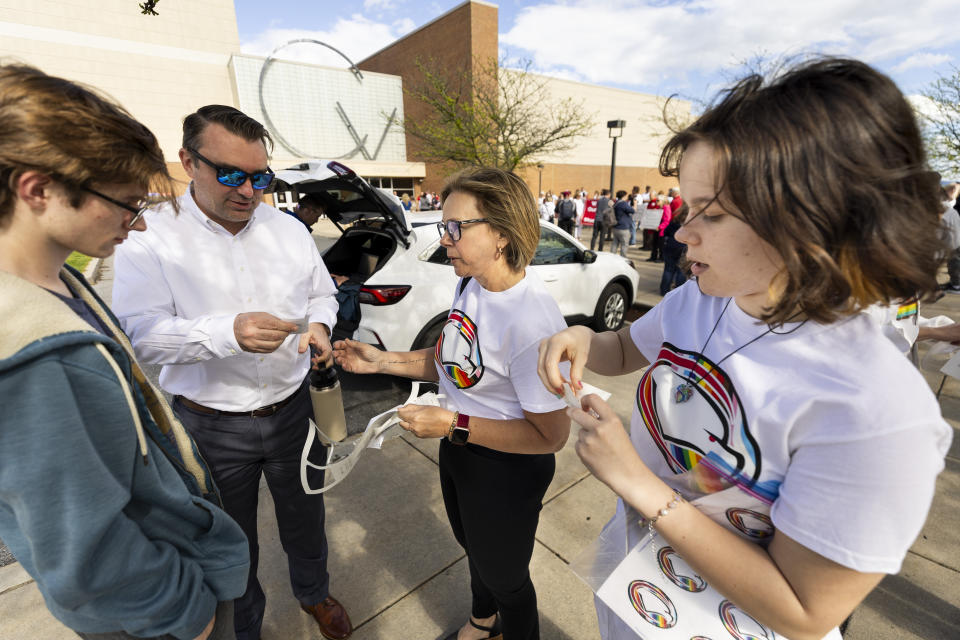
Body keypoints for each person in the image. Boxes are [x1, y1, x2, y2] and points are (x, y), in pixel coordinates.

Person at [537, 58, 951, 640]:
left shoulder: (876, 412)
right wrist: (583, 338)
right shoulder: (705, 300)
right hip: (643, 591)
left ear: (812, 219)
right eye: (685, 207)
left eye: (713, 213)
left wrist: (637, 483)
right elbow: (628, 349)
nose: (682, 233)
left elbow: (805, 612)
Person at [0, 64, 249, 640]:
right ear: (38, 189)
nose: (136, 227)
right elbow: (82, 547)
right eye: (125, 205)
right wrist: (189, 613)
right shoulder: (27, 356)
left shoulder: (62, 282)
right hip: (154, 614)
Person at [112, 105, 352, 640]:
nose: (248, 191)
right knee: (230, 541)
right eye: (230, 175)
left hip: (293, 411)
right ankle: (245, 627)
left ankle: (314, 593)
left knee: (306, 516)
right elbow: (142, 337)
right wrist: (226, 333)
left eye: (260, 177)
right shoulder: (150, 237)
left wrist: (318, 325)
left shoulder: (288, 230)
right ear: (187, 162)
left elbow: (321, 295)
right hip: (210, 425)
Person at [333, 167, 570, 640]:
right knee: (473, 546)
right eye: (445, 227)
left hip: (507, 467)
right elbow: (454, 362)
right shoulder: (471, 285)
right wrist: (382, 361)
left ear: (501, 233)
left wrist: (452, 424)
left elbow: (553, 435)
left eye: (456, 228)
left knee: (508, 579)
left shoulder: (531, 320)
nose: (445, 240)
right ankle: (483, 621)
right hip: (461, 447)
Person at [658, 201, 688, 295]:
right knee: (681, 271)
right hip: (683, 247)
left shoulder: (675, 219)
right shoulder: (692, 221)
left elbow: (666, 231)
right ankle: (677, 293)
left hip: (670, 245)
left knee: (668, 269)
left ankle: (664, 290)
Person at [609, 190, 634, 257]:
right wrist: (635, 204)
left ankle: (611, 256)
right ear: (624, 196)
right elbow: (632, 210)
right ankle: (623, 258)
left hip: (615, 227)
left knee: (615, 243)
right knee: (624, 244)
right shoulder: (623, 203)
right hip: (623, 228)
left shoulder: (616, 203)